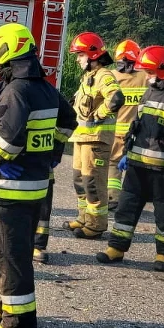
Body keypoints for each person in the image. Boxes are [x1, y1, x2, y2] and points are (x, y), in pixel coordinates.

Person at [0, 24, 76, 328]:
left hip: (10, 190)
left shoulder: (16, 91)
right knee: (15, 252)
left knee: (8, 255)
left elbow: (5, 144)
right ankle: (11, 306)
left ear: (8, 53)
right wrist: (51, 155)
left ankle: (17, 324)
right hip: (34, 186)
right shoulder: (45, 88)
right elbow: (68, 121)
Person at [96, 46, 164, 272]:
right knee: (125, 208)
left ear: (161, 70)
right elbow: (137, 125)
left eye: (149, 71)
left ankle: (163, 255)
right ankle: (116, 248)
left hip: (162, 169)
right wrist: (126, 154)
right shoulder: (150, 91)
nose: (146, 76)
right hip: (137, 164)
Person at [67, 32, 124, 239]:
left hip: (96, 140)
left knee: (93, 182)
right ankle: (84, 217)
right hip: (82, 138)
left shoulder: (104, 76)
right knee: (79, 180)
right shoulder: (88, 78)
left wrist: (99, 114)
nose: (77, 59)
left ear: (92, 55)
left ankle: (96, 225)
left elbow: (116, 98)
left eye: (80, 55)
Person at [107, 40, 149, 215]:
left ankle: (112, 198)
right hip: (140, 133)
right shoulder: (145, 76)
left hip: (115, 131)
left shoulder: (111, 76)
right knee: (138, 167)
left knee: (113, 165)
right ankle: (134, 199)